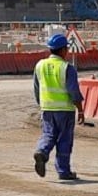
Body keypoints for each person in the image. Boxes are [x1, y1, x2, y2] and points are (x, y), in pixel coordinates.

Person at [32, 34, 85, 181]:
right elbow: (74, 91)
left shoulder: (39, 65)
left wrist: (41, 104)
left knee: (48, 135)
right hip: (65, 110)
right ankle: (63, 171)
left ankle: (42, 152)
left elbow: (36, 88)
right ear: (62, 50)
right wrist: (80, 110)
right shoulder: (67, 68)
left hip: (47, 108)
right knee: (64, 140)